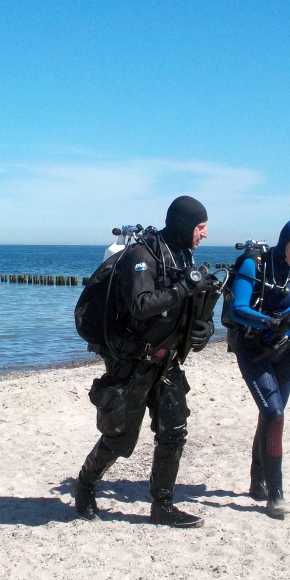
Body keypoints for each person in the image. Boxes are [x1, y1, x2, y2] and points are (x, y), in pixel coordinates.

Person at [74, 196, 216, 528]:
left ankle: (162, 505)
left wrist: (205, 329)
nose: (205, 233)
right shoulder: (142, 255)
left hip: (167, 362)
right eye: (200, 227)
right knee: (120, 438)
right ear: (183, 225)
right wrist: (184, 287)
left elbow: (193, 306)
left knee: (174, 431)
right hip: (133, 362)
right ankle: (84, 487)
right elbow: (140, 305)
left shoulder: (182, 255)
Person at [228, 218, 290, 518]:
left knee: (271, 415)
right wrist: (272, 321)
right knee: (274, 413)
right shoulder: (254, 265)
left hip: (286, 351)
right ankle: (275, 494)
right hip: (253, 349)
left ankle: (257, 482)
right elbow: (238, 309)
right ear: (283, 243)